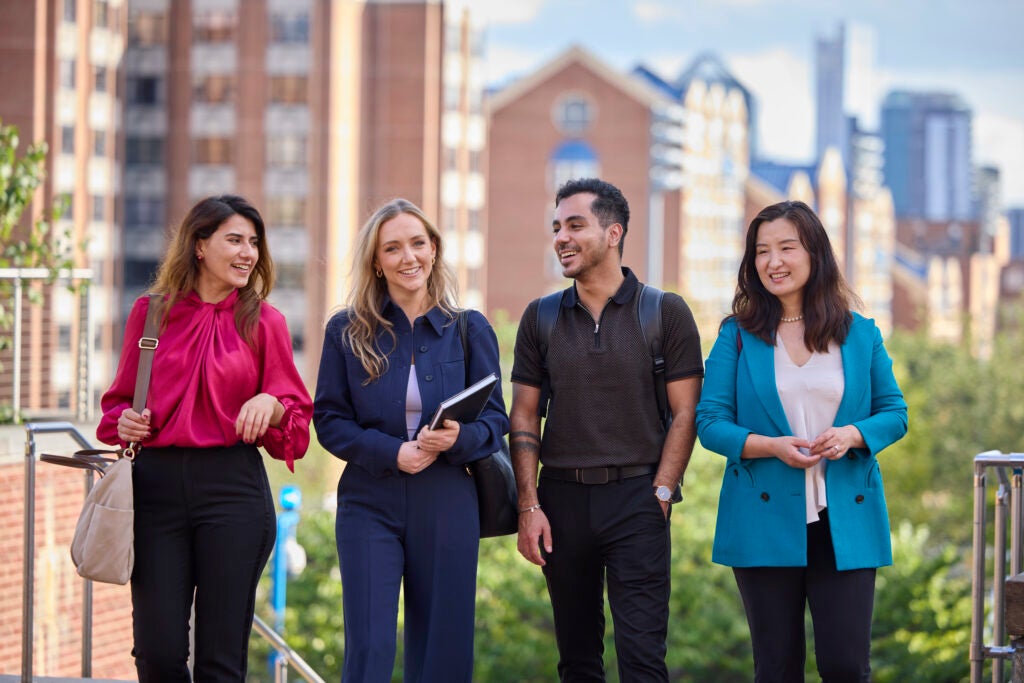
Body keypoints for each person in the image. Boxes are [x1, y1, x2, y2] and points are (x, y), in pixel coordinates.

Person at [97, 194, 313, 681]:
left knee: (220, 660)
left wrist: (272, 406)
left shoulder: (266, 322)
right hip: (155, 493)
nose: (248, 253)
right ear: (198, 245)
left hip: (232, 490)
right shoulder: (149, 314)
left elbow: (296, 424)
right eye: (234, 239)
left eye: (254, 242)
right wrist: (124, 422)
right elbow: (117, 405)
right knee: (159, 652)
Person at [695, 200, 908, 682]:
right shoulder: (736, 335)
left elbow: (894, 413)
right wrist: (770, 446)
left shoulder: (860, 334)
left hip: (845, 518)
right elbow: (710, 422)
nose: (773, 262)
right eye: (762, 251)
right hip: (763, 517)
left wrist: (854, 434)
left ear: (814, 252)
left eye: (786, 247)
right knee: (776, 667)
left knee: (846, 665)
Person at [509, 177, 704, 682]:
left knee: (642, 660)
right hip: (560, 502)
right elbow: (525, 415)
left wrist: (662, 489)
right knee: (577, 661)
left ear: (613, 232)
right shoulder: (541, 317)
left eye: (576, 225)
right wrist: (528, 505)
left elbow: (687, 411)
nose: (561, 237)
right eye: (556, 227)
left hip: (638, 498)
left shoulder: (665, 311)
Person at [313, 197, 508, 682]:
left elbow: (496, 422)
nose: (409, 258)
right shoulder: (346, 330)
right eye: (393, 248)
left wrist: (459, 438)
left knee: (443, 651)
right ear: (376, 263)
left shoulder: (470, 329)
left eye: (418, 243)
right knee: (370, 647)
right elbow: (329, 419)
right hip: (368, 500)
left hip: (447, 500)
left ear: (435, 249)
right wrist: (390, 452)